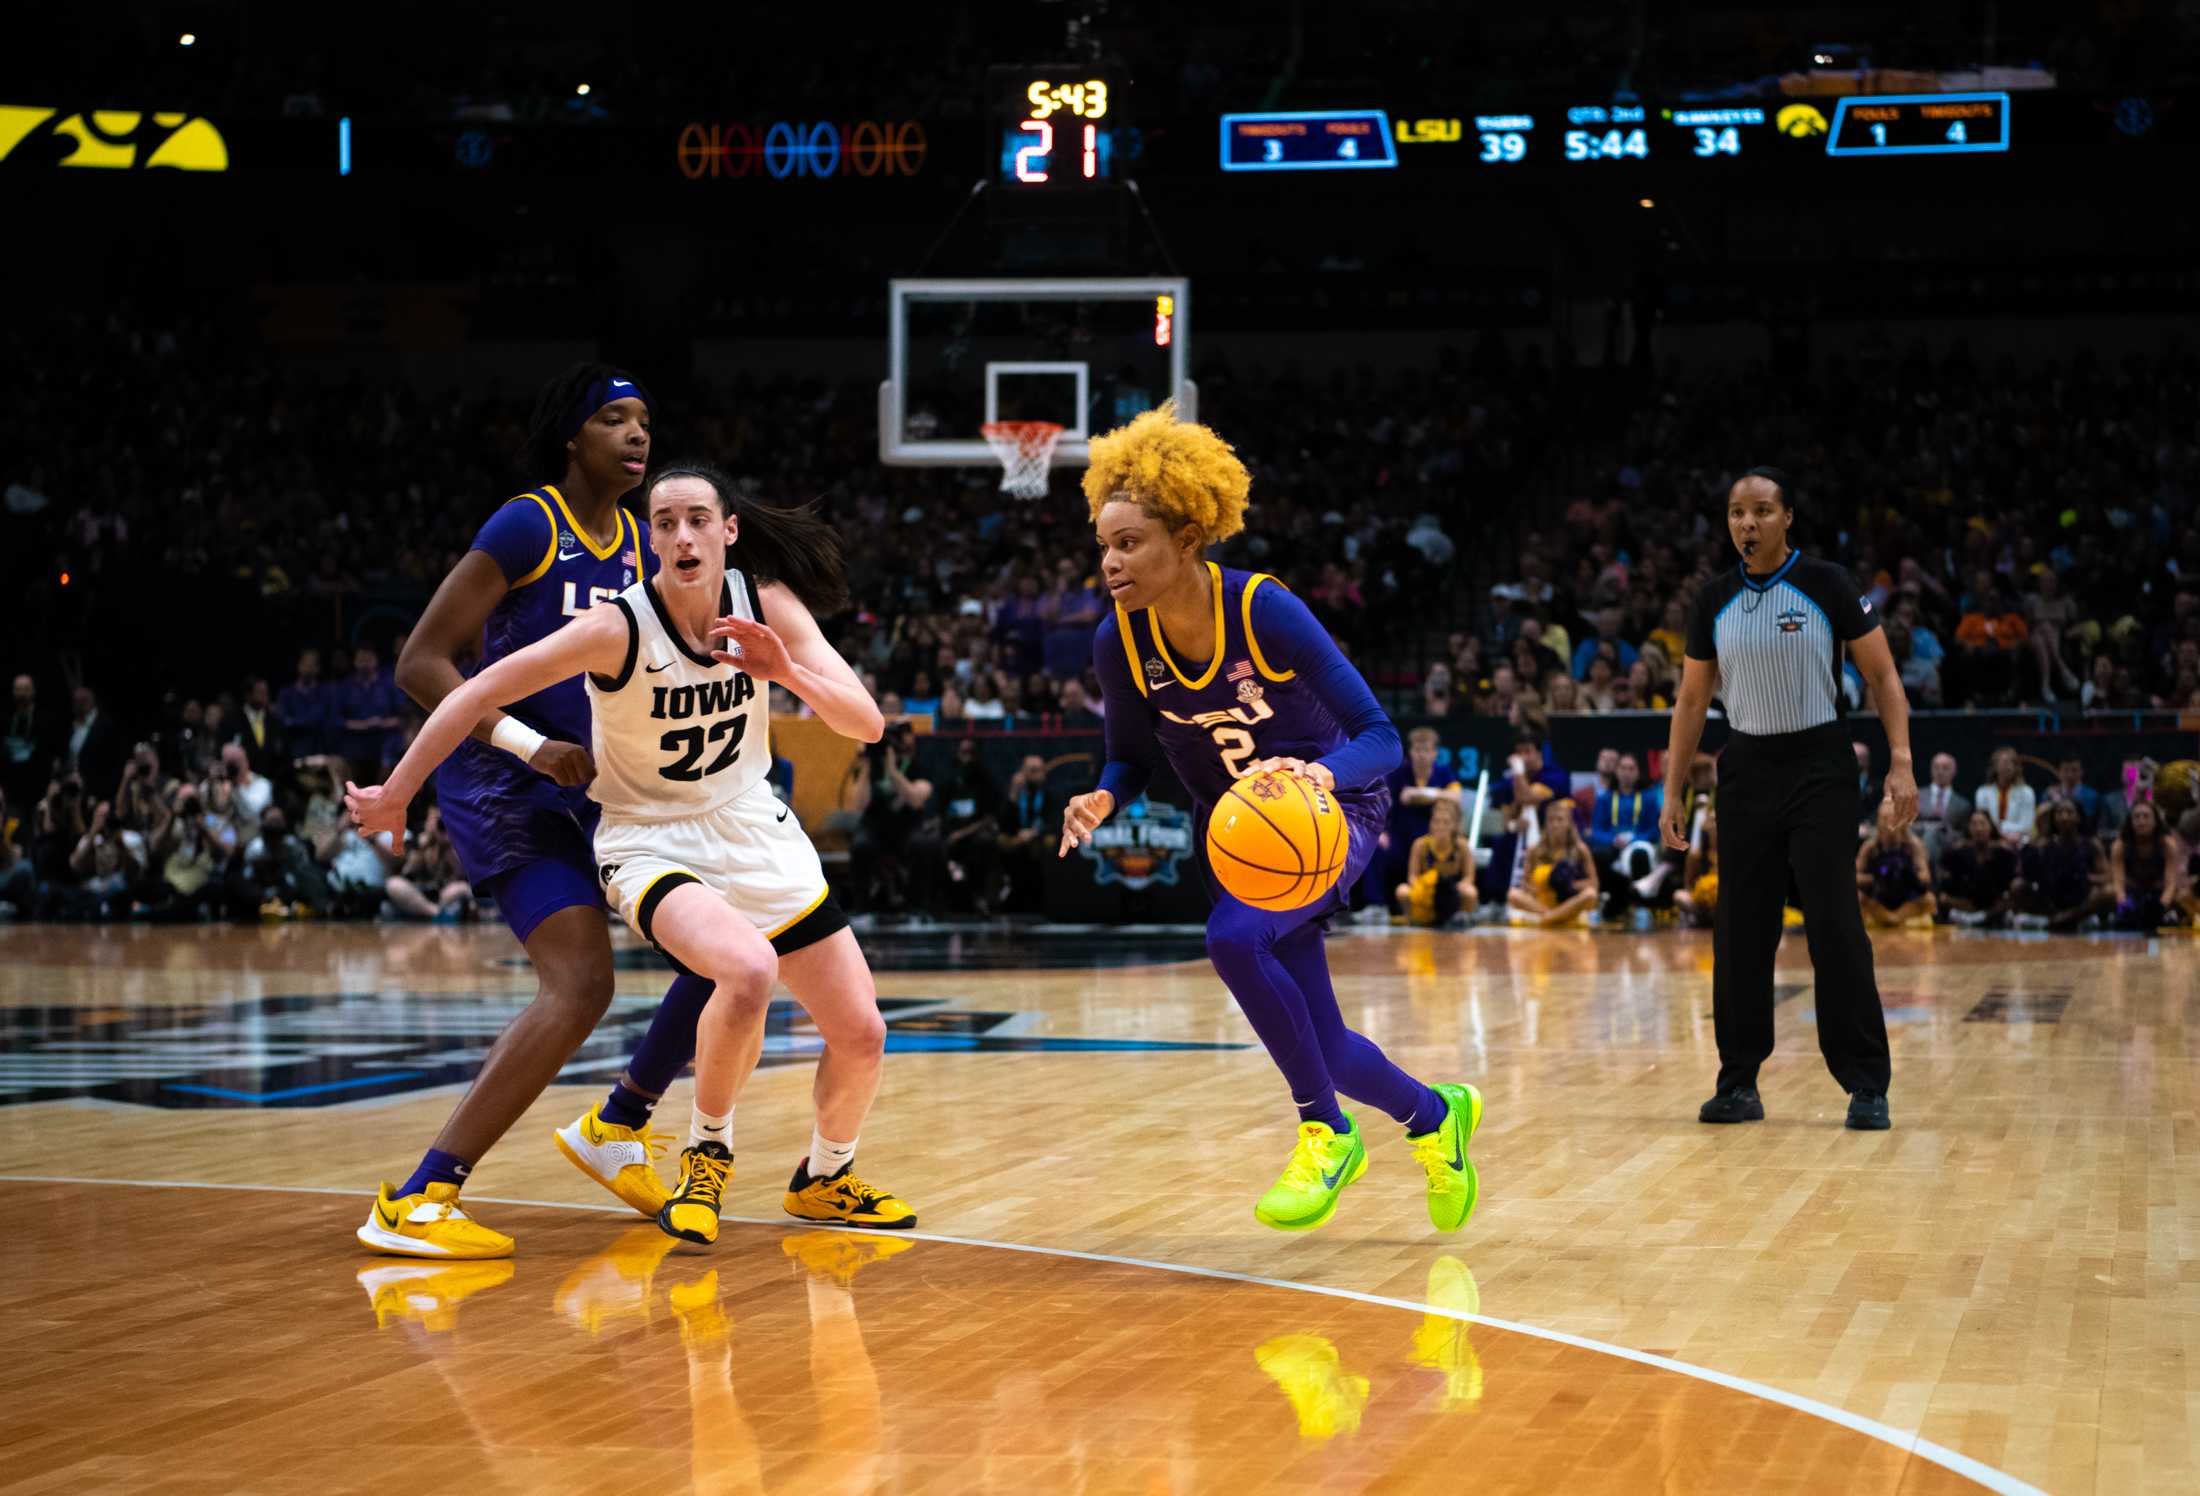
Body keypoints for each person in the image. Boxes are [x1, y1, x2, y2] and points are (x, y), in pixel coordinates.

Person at [351, 462, 915, 1250]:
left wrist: (781, 669)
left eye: (696, 519)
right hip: (650, 839)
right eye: (664, 522)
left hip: (753, 825)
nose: (681, 535)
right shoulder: (616, 627)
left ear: (729, 531)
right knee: (744, 970)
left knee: (863, 1034)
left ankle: (825, 1176)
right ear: (650, 537)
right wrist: (397, 792)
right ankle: (705, 1157)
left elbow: (866, 724)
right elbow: (471, 692)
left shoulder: (766, 606)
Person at [1058, 405, 1482, 1236]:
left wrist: (1315, 776)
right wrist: (1105, 795)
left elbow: (1382, 739)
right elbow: (1129, 755)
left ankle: (1325, 1134)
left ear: (1187, 538)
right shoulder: (1120, 641)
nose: (1110, 561)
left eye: (1130, 542)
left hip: (1333, 810)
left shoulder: (1264, 611)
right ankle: (1436, 1117)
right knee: (1323, 1044)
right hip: (1242, 838)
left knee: (1232, 940)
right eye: (1104, 544)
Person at [346, 363, 705, 1259]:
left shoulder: (641, 541)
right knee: (582, 983)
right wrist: (526, 745)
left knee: (740, 942)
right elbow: (421, 663)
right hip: (506, 785)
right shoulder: (528, 524)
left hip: (599, 788)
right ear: (571, 437)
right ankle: (421, 1198)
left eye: (645, 422)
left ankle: (620, 1121)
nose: (636, 436)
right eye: (614, 419)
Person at [1660, 467, 1915, 1133]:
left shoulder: (1828, 583)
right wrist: (1674, 789)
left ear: (1788, 518)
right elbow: (1691, 700)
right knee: (1742, 932)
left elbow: (1883, 674)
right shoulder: (1711, 600)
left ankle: (1866, 1084)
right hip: (1744, 769)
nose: (1748, 524)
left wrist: (1903, 763)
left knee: (1833, 925)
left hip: (1821, 768)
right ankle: (1738, 1082)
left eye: (1763, 511)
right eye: (1738, 513)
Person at [2012, 802, 2110, 931]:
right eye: (2059, 813)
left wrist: (2088, 878)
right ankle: (2065, 920)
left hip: (2079, 899)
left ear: (2079, 817)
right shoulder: (2043, 845)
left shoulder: (2091, 844)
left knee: (2107, 893)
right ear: (2053, 818)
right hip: (2051, 900)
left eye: (2069, 812)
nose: (2064, 817)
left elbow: (2107, 877)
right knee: (2018, 885)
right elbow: (2026, 874)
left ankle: (2061, 919)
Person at [1507, 797, 1598, 927]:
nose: (1555, 824)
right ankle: (1554, 916)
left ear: (1569, 823)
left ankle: (1548, 918)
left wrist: (1570, 885)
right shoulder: (1534, 850)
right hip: (1540, 903)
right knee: (1513, 894)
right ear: (1545, 823)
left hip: (1568, 902)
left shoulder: (1580, 849)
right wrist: (1539, 887)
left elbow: (1593, 884)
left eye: (1560, 819)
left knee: (1590, 895)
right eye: (1551, 820)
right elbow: (1525, 883)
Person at [1396, 796, 1478, 927]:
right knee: (1402, 890)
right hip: (1427, 892)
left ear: (1454, 825)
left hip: (1451, 893)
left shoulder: (1462, 845)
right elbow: (1412, 876)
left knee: (1470, 892)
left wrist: (1461, 885)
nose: (1440, 826)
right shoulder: (1420, 844)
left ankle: (1461, 918)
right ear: (1430, 823)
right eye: (1436, 821)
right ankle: (1414, 919)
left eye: (1446, 822)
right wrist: (1422, 887)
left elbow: (1469, 877)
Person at [2109, 800, 2187, 932]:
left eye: (2146, 816)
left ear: (2156, 821)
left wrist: (2160, 907)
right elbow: (2118, 883)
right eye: (2137, 817)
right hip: (2132, 892)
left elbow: (2171, 884)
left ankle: (2170, 915)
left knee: (2183, 895)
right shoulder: (2120, 845)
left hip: (2160, 892)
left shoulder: (2168, 844)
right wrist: (2124, 906)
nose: (2141, 821)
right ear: (2130, 821)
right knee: (2108, 892)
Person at [1856, 803, 1936, 928]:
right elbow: (1854, 877)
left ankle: (1892, 919)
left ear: (1902, 822)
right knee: (1858, 897)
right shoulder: (1870, 846)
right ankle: (1892, 919)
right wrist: (1875, 878)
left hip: (1906, 899)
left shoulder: (1913, 845)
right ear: (1879, 822)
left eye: (1893, 820)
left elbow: (1926, 877)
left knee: (1929, 900)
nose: (1889, 825)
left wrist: (1908, 874)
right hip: (1879, 899)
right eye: (1885, 819)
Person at [1937, 809, 2020, 927]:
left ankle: (1983, 917)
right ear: (1969, 828)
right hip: (1965, 904)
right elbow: (1946, 884)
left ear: (1991, 826)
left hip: (1993, 906)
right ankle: (1972, 917)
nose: (1978, 828)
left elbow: (2009, 885)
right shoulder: (1956, 851)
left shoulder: (2004, 852)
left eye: (1982, 824)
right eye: (1974, 824)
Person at [1976, 748, 2037, 846]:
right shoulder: (1982, 792)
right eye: (2003, 762)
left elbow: (2026, 825)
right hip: (1991, 841)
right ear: (1995, 766)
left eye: (2011, 763)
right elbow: (1984, 823)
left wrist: (2005, 830)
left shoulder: (2027, 792)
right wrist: (2001, 834)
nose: (2007, 766)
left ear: (2016, 767)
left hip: (2019, 841)